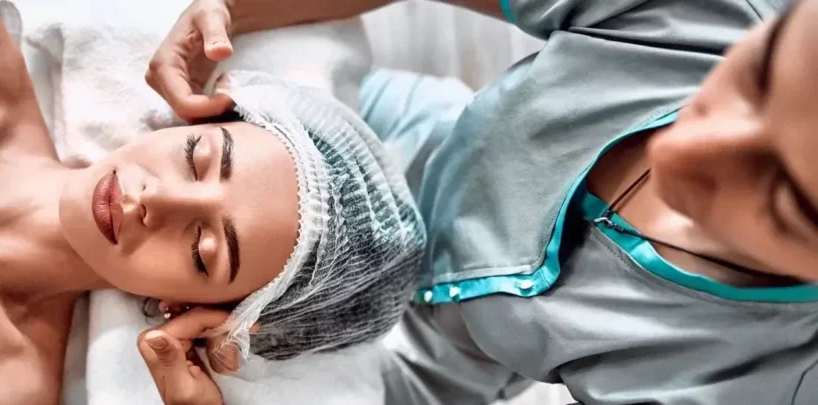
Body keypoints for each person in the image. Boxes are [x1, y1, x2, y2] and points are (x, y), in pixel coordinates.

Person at [144, 0, 818, 404]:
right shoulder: (712, 14)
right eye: (757, 77)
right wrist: (232, 12)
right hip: (397, 135)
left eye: (779, 195)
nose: (680, 149)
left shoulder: (739, 382)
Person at [0, 1, 424, 404]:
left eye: (204, 249)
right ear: (190, 117)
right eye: (199, 158)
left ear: (193, 310)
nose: (158, 201)